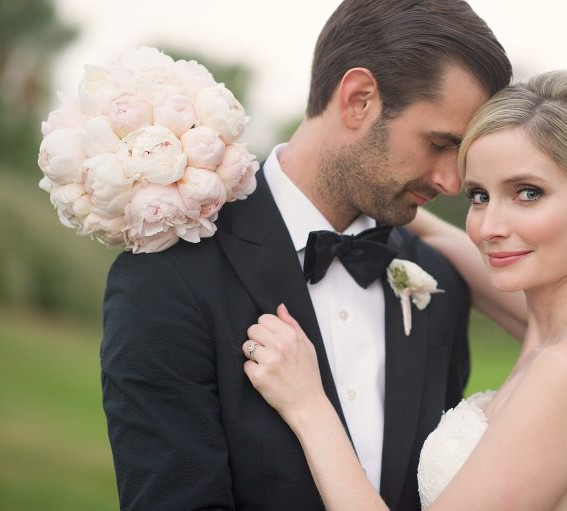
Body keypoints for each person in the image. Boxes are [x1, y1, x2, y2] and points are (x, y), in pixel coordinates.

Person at [101, 1, 525, 510]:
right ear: (358, 99)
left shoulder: (439, 285)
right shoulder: (169, 274)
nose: (452, 182)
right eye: (438, 143)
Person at [242, 70, 567, 510]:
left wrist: (310, 407)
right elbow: (441, 236)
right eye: (479, 196)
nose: (488, 228)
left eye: (528, 193)